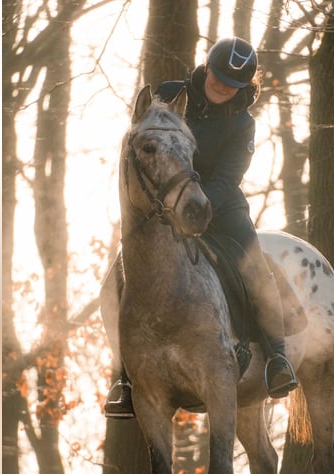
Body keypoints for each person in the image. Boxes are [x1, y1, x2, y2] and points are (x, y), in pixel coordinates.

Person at [105, 37, 297, 418]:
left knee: (254, 266)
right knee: (117, 280)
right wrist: (167, 202)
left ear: (244, 88)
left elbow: (229, 177)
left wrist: (194, 204)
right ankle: (123, 377)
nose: (223, 85)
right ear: (207, 67)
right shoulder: (169, 94)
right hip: (161, 207)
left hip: (218, 207)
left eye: (233, 83)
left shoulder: (243, 124)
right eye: (220, 75)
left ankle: (277, 356)